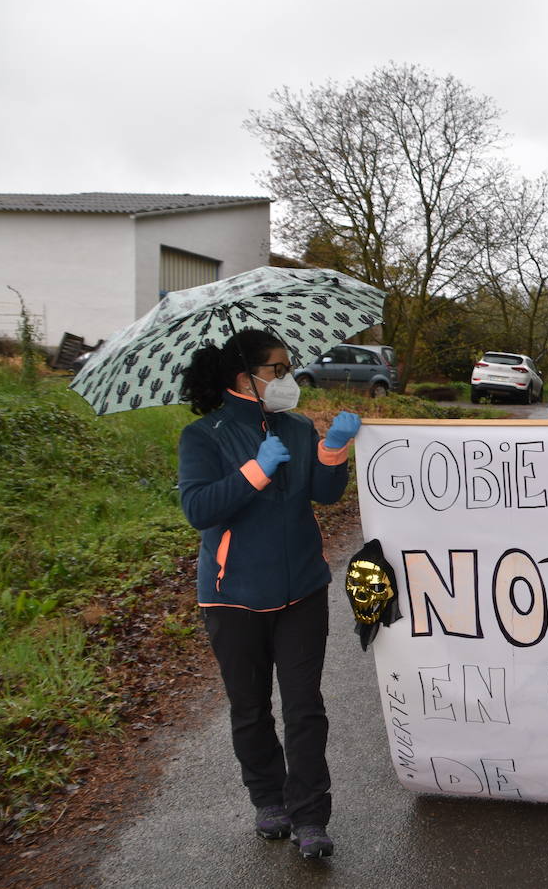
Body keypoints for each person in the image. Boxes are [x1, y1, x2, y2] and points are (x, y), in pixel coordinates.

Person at [177, 329, 361, 860]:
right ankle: (268, 798)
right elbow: (200, 510)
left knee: (305, 707)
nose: (288, 380)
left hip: (301, 589)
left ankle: (310, 816)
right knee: (251, 707)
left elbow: (325, 497)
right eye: (278, 370)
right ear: (246, 377)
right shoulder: (203, 436)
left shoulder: (298, 428)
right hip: (231, 596)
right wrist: (256, 469)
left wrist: (331, 449)